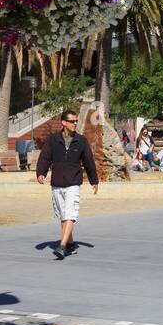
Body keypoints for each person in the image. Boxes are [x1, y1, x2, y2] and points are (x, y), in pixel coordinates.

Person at [35, 108, 100, 260]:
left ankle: (62, 246)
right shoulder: (53, 139)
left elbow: (89, 162)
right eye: (72, 121)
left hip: (73, 182)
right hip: (57, 182)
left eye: (76, 121)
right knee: (63, 216)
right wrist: (41, 173)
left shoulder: (81, 140)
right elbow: (45, 158)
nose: (75, 123)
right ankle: (70, 244)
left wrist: (94, 180)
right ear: (63, 123)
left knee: (70, 213)